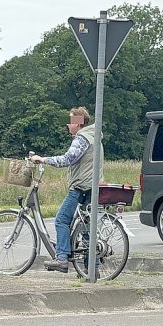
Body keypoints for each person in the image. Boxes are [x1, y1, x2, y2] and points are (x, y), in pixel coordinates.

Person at [29, 107, 104, 272]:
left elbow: (67, 159)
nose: (67, 125)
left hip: (81, 186)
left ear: (78, 123)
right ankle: (92, 268)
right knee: (86, 228)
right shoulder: (94, 137)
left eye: (69, 121)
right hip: (93, 186)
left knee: (62, 219)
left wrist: (43, 159)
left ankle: (61, 258)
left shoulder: (82, 138)